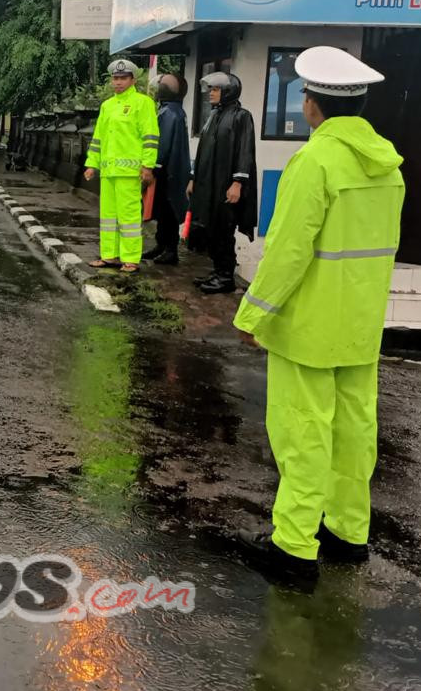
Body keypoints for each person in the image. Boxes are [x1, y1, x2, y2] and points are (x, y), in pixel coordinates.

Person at [232, 47, 404, 585]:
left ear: (312, 104)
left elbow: (287, 252)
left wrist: (253, 315)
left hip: (309, 326)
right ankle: (348, 533)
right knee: (355, 431)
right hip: (360, 324)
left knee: (303, 433)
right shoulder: (387, 163)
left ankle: (293, 549)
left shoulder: (315, 163)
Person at [83, 59, 159, 273]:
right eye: (115, 79)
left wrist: (147, 165)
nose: (118, 82)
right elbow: (98, 139)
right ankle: (109, 256)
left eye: (122, 78)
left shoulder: (142, 103)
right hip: (108, 172)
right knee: (108, 217)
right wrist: (92, 164)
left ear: (133, 80)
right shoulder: (107, 106)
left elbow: (150, 137)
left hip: (129, 172)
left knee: (129, 218)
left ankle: (131, 259)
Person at [188, 72, 257, 294]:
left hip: (226, 185)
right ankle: (217, 271)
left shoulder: (241, 117)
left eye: (216, 90)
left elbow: (245, 151)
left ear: (228, 92)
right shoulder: (213, 116)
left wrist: (237, 182)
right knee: (211, 228)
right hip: (209, 184)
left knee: (224, 230)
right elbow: (203, 151)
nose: (211, 94)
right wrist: (193, 178)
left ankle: (226, 277)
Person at [143, 74, 191, 266]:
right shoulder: (177, 111)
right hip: (174, 169)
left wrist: (153, 166)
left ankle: (170, 250)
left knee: (167, 210)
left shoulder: (168, 113)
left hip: (166, 171)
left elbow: (161, 145)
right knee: (164, 210)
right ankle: (161, 246)